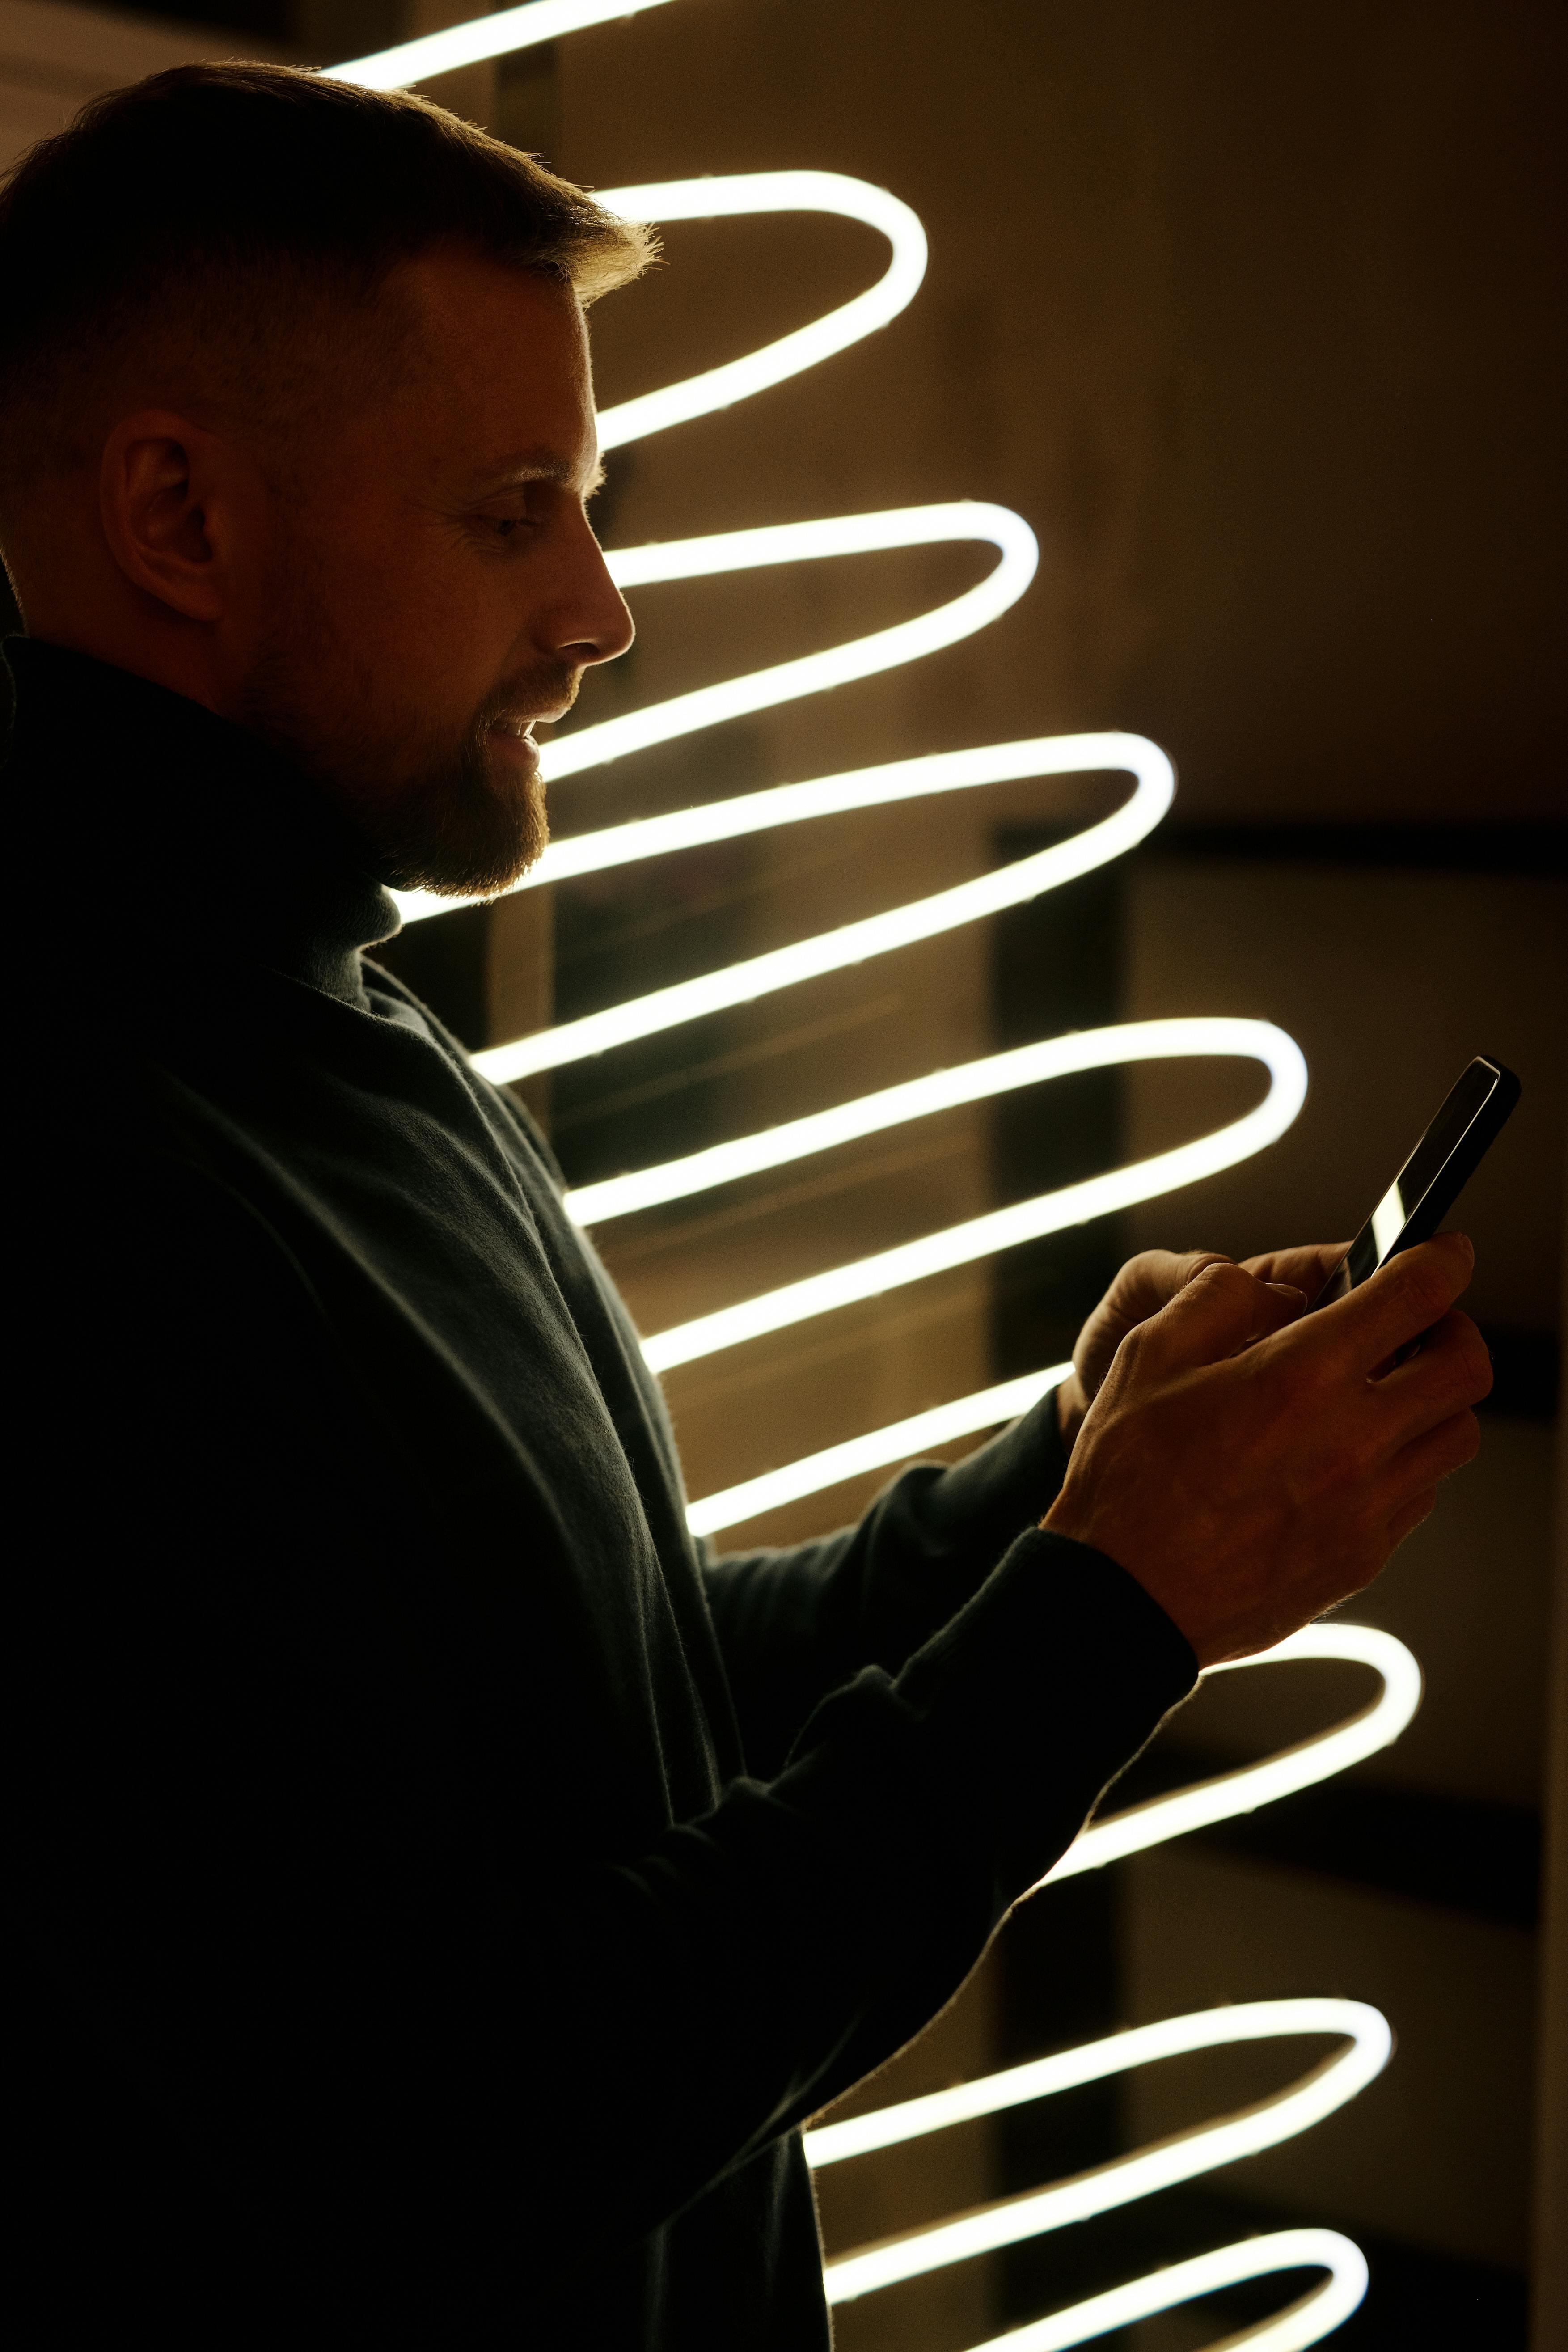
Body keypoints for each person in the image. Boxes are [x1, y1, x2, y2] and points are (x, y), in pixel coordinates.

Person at [0, 64, 1491, 2349]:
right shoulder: (70, 1164)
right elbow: (470, 2118)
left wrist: (1068, 1485)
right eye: (516, 512)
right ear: (180, 520)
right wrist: (1114, 1603)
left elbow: (610, 1713)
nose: (602, 608)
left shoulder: (342, 1020)